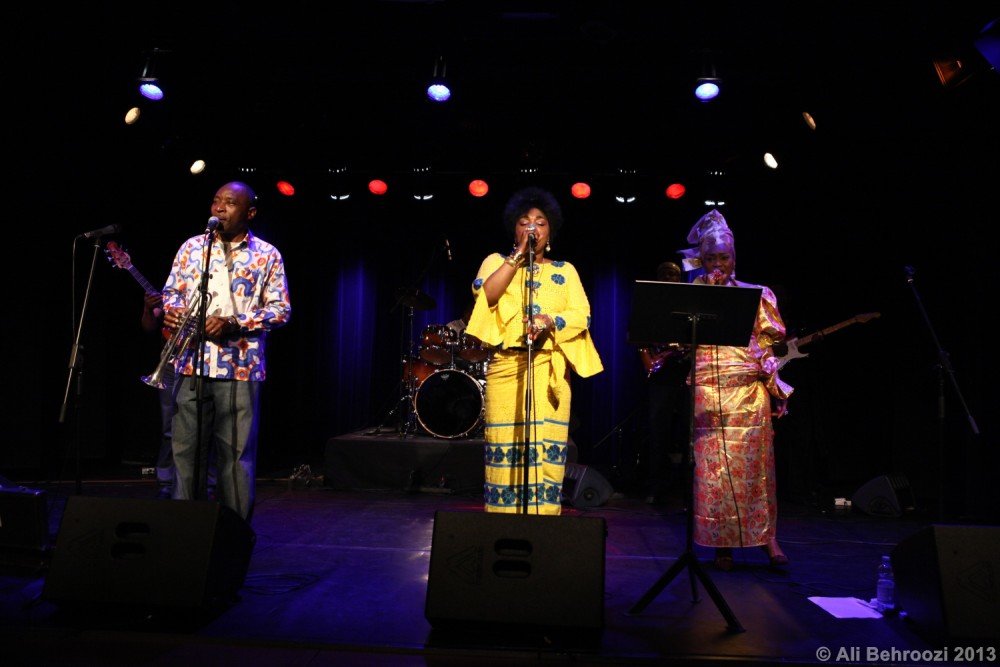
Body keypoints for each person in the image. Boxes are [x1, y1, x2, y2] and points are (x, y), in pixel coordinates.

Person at [465, 186, 603, 514]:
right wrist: (517, 256)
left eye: (541, 223)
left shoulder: (565, 271)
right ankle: (503, 522)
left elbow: (582, 314)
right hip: (506, 368)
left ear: (550, 231)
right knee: (505, 450)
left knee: (546, 456)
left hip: (549, 370)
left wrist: (550, 320)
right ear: (514, 230)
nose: (533, 228)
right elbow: (486, 295)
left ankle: (543, 523)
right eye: (524, 222)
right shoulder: (495, 262)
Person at [161, 181, 291, 522]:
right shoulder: (192, 248)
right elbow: (171, 293)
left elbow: (280, 310)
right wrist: (172, 311)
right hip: (191, 362)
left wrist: (235, 322)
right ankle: (184, 531)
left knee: (235, 457)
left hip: (240, 367)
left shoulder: (267, 254)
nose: (219, 207)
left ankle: (234, 535)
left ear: (250, 212)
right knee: (185, 454)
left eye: (230, 203)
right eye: (216, 200)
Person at [678, 209, 792, 570]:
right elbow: (676, 341)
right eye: (711, 258)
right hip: (709, 392)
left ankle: (767, 539)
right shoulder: (692, 296)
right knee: (714, 471)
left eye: (723, 257)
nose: (718, 264)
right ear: (702, 260)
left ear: (734, 258)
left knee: (755, 469)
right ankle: (721, 543)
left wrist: (775, 387)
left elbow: (768, 345)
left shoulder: (756, 295)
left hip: (748, 391)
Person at [638, 260, 691, 505]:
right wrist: (649, 360)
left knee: (688, 432)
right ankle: (654, 487)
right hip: (661, 377)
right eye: (665, 274)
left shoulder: (688, 303)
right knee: (658, 432)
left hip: (687, 374)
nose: (670, 278)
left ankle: (688, 490)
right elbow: (639, 337)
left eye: (674, 274)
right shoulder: (651, 304)